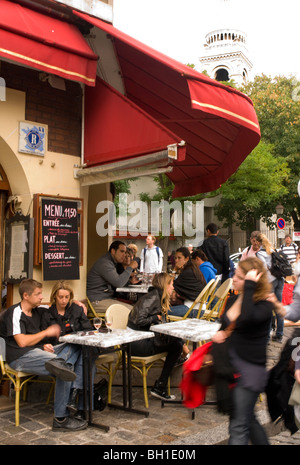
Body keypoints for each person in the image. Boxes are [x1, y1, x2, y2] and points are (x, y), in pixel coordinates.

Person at [0, 279, 87, 431]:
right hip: (20, 357)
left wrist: (77, 303)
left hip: (39, 353)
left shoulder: (38, 309)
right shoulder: (15, 312)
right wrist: (46, 333)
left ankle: (62, 367)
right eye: (38, 294)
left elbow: (54, 303)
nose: (41, 297)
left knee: (75, 347)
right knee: (63, 367)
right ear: (26, 295)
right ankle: (61, 418)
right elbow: (21, 342)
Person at [212, 257, 273, 445]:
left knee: (238, 426)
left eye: (239, 277)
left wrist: (249, 288)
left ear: (252, 281)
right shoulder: (231, 300)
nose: (233, 279)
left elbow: (247, 318)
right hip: (231, 369)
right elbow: (226, 328)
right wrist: (221, 335)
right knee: (248, 420)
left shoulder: (264, 305)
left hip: (250, 372)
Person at [40, 280, 96, 420]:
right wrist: (44, 345)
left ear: (70, 297)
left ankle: (74, 394)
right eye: (61, 297)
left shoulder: (76, 310)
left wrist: (75, 335)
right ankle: (83, 407)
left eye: (67, 297)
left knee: (84, 355)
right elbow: (43, 336)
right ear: (54, 296)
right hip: (59, 350)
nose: (64, 300)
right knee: (85, 359)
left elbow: (88, 329)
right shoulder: (47, 314)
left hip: (76, 348)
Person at [127, 273, 184, 401]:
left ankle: (161, 385)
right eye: (171, 284)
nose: (173, 288)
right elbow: (138, 320)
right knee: (177, 344)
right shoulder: (152, 298)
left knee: (177, 343)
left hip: (142, 338)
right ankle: (160, 386)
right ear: (165, 285)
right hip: (135, 343)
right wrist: (155, 318)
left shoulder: (157, 296)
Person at [86, 240, 138, 313]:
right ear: (113, 251)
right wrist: (130, 267)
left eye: (125, 252)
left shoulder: (110, 262)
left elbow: (115, 280)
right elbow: (119, 283)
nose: (125, 255)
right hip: (96, 301)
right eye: (122, 251)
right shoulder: (105, 263)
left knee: (135, 308)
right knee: (133, 311)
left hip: (105, 298)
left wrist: (130, 279)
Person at [256, 233, 284, 342]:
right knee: (278, 307)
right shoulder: (273, 250)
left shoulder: (260, 253)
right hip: (280, 279)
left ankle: (266, 337)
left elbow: (263, 268)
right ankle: (279, 335)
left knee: (267, 309)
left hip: (270, 281)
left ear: (258, 242)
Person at [168, 247, 206, 318]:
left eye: (179, 258)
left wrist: (175, 270)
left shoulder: (188, 272)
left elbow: (169, 285)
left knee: (162, 311)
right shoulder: (192, 268)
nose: (176, 260)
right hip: (197, 307)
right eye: (175, 258)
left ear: (187, 259)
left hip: (193, 309)